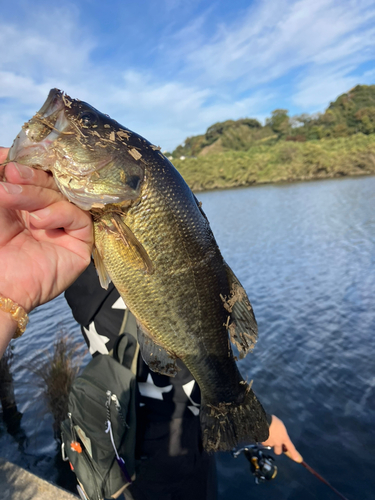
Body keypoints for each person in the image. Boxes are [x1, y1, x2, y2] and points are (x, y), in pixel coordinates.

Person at [0, 146, 302, 498]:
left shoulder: (71, 253)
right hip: (170, 451)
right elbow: (192, 340)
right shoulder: (77, 248)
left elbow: (191, 329)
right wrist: (261, 423)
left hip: (120, 443)